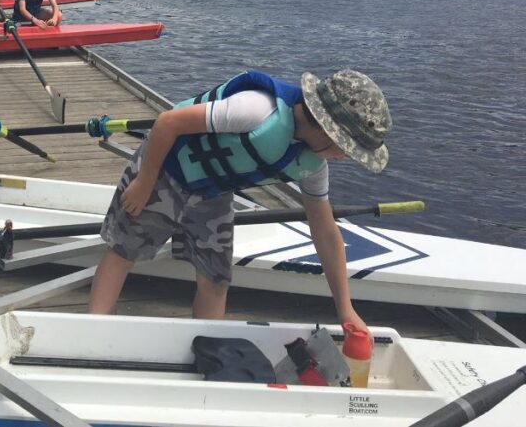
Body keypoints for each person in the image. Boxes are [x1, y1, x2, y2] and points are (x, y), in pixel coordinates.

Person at [88, 69, 393, 334]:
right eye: (346, 149)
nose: (344, 157)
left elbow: (326, 232)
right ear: (329, 131)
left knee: (216, 277)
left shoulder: (313, 165)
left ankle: (204, 344)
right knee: (124, 250)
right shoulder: (257, 109)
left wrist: (345, 309)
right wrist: (144, 181)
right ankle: (93, 328)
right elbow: (168, 122)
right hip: (165, 168)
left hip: (213, 189)